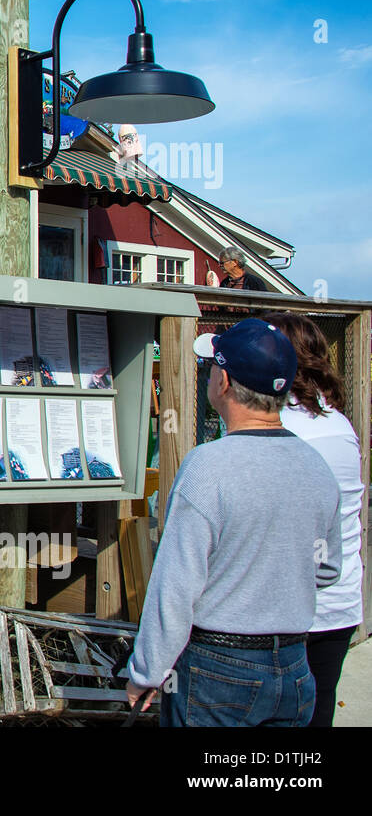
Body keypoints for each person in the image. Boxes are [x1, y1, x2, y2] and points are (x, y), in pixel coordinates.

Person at [126, 318, 341, 726]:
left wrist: (147, 672)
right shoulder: (316, 467)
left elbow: (175, 587)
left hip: (217, 668)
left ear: (223, 381)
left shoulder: (207, 467)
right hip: (295, 665)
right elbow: (328, 569)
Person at [262, 311, 364, 727]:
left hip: (292, 612)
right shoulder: (336, 423)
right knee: (317, 712)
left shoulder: (282, 430)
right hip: (339, 606)